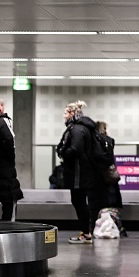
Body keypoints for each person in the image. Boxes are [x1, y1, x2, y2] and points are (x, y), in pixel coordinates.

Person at [57, 100, 98, 243]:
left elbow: (76, 149)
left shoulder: (77, 129)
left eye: (65, 113)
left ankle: (86, 233)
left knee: (79, 201)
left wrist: (63, 151)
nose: (63, 116)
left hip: (78, 172)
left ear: (72, 113)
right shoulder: (81, 128)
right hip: (81, 171)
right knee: (80, 201)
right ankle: (86, 231)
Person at [0, 95, 23, 221]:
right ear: (0, 107)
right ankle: (8, 236)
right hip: (5, 174)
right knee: (9, 206)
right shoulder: (2, 121)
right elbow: (9, 141)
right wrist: (10, 160)